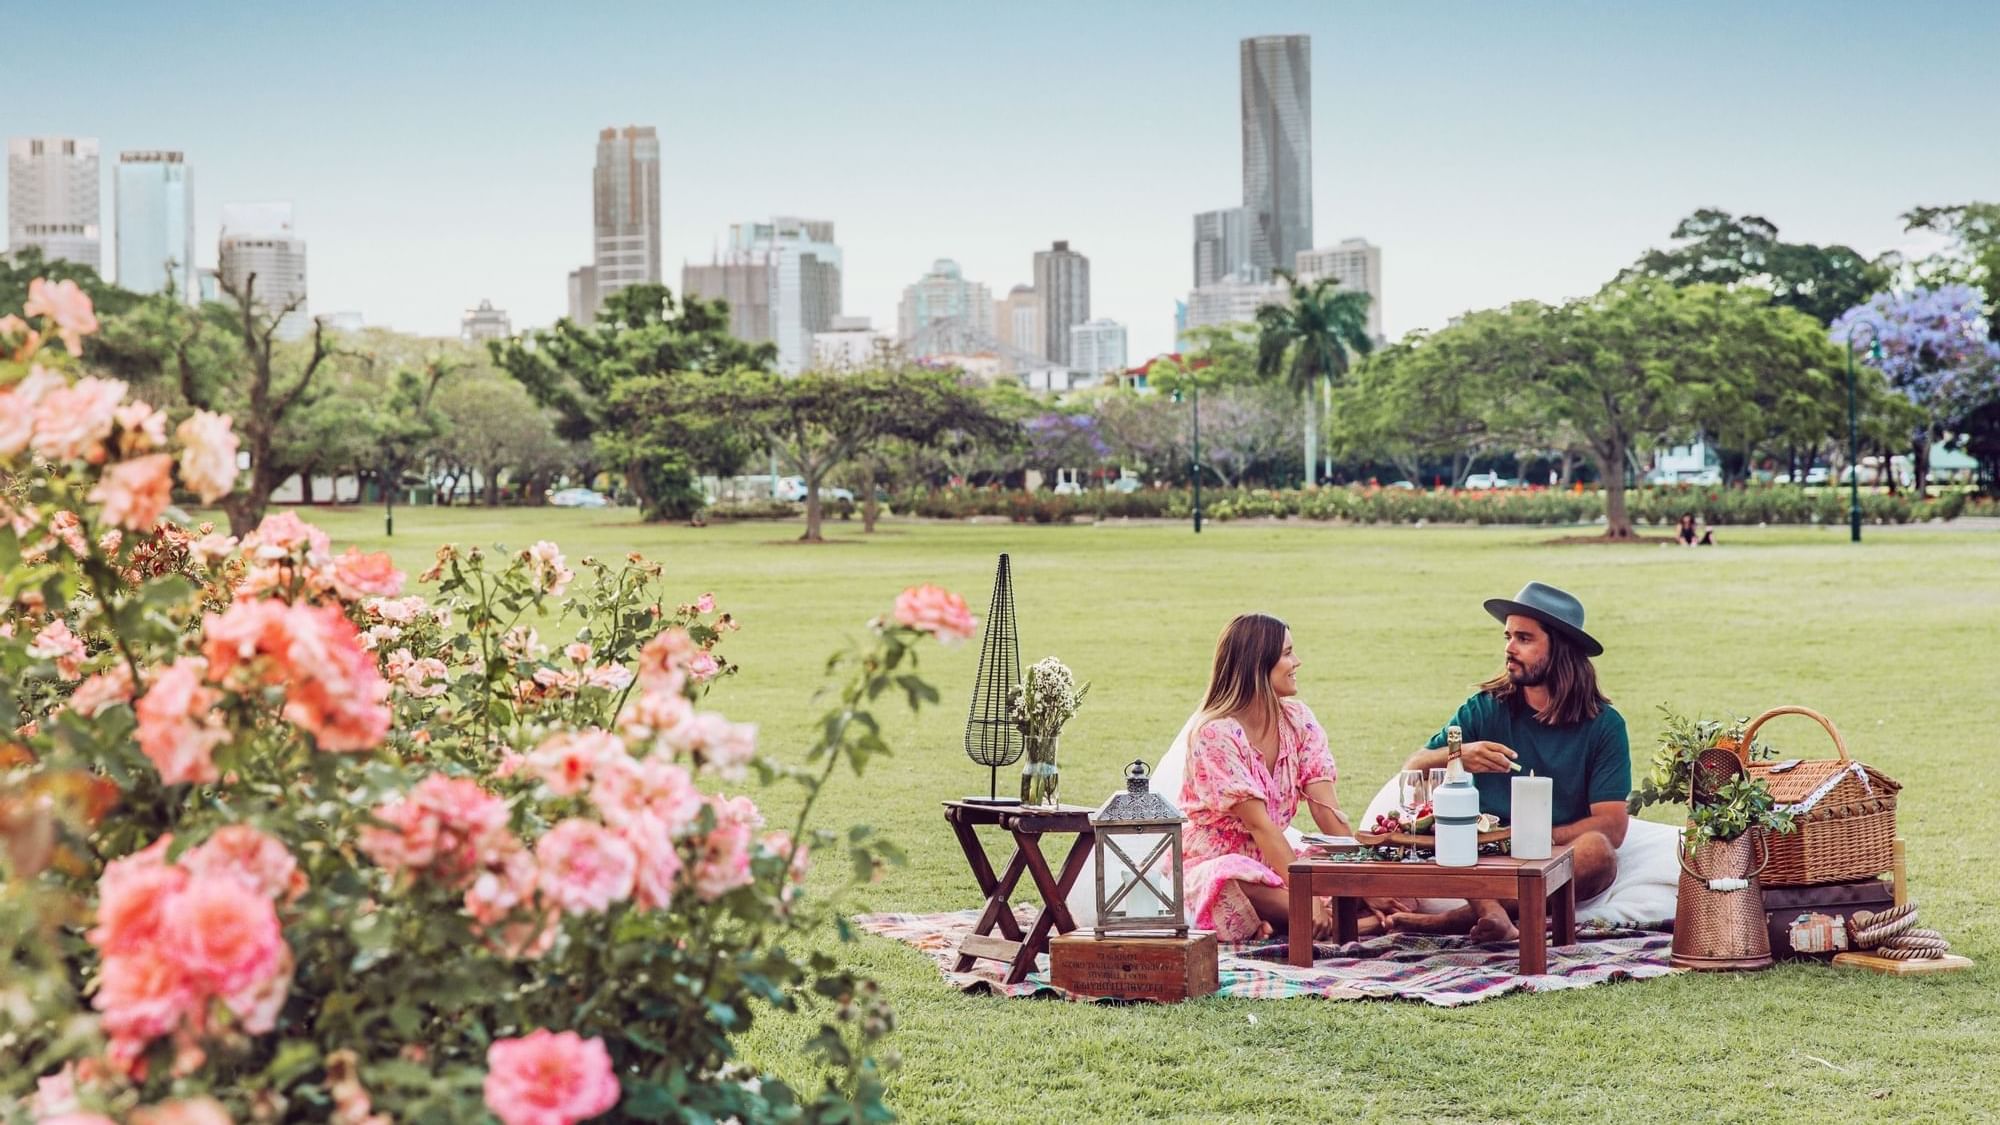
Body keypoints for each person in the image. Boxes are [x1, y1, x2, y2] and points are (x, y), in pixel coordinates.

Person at [1389, 582, 1629, 941]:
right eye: (1508, 636)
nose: (1509, 648)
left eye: (1524, 639)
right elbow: (1413, 769)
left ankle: (1460, 919)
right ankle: (1489, 912)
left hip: (1553, 853)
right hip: (1482, 851)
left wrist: (1531, 838)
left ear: (1560, 649)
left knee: (1598, 852)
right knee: (1446, 824)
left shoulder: (1604, 726)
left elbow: (1612, 826)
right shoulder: (1485, 708)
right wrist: (1460, 754)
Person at [1178, 613, 1368, 942]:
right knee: (1231, 878)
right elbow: (1259, 826)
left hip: (1275, 860)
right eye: (1287, 653)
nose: (1297, 662)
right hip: (1220, 864)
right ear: (1257, 664)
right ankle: (1354, 925)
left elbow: (1326, 809)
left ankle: (1311, 920)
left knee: (1351, 872)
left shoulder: (1298, 719)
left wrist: (1364, 877)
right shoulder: (1215, 733)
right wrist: (1306, 896)